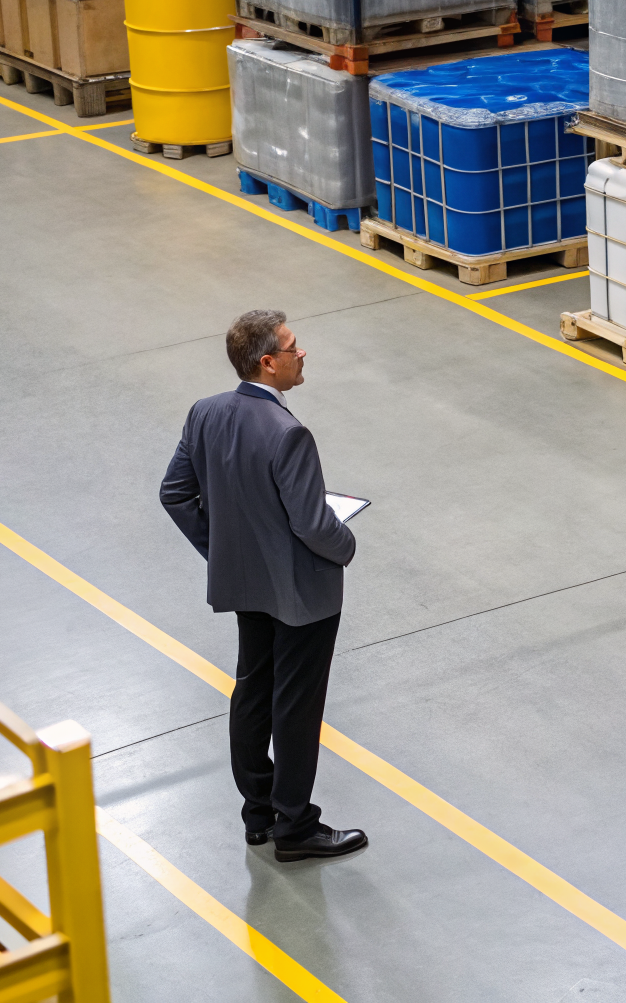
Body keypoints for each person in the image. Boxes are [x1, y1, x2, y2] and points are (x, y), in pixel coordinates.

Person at [160, 309, 366, 864]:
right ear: (269, 363)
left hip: (246, 585)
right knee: (296, 705)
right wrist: (347, 546)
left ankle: (259, 816)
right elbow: (312, 525)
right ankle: (296, 826)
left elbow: (175, 493)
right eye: (294, 348)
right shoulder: (288, 433)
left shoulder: (205, 413)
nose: (304, 354)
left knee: (252, 691)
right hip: (301, 594)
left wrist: (224, 551)